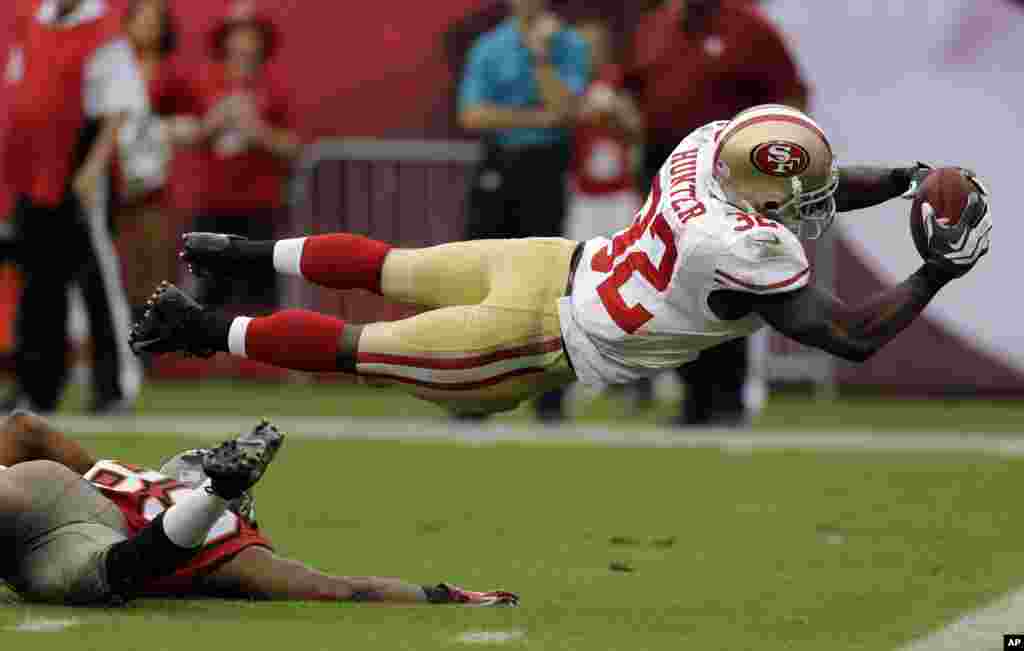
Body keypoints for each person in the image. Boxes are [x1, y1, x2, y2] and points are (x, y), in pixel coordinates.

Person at [128, 104, 991, 418]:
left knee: (391, 266)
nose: (814, 204)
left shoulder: (710, 143)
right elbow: (846, 335)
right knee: (363, 350)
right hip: (543, 332)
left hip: (554, 260)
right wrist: (936, 272)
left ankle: (244, 255)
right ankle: (207, 327)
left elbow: (820, 182)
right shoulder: (743, 245)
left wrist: (911, 179)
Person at [0, 411, 518, 605]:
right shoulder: (238, 546)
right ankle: (211, 498)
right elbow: (339, 588)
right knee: (109, 572)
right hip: (83, 553)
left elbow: (26, 428)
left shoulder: (128, 476)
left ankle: (207, 501)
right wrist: (446, 595)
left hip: (65, 514)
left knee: (107, 565)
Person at [625, 0, 810, 426]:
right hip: (668, 170)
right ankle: (694, 397)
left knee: (730, 282)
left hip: (731, 171)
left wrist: (777, 163)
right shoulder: (654, 28)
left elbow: (793, 98)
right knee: (678, 287)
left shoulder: (751, 29)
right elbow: (628, 93)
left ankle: (727, 398)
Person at [2, 0, 146, 414]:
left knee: (96, 280)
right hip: (33, 169)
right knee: (38, 284)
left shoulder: (104, 29)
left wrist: (93, 168)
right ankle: (36, 389)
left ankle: (114, 387)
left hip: (80, 164)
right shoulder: (32, 19)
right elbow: (19, 91)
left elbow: (118, 109)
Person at [457, 0, 590, 421]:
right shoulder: (489, 46)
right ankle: (475, 393)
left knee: (550, 286)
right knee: (483, 282)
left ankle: (550, 400)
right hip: (498, 165)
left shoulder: (569, 44)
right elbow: (472, 115)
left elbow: (567, 110)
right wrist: (536, 116)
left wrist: (539, 56)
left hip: (546, 169)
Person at [0, 411, 282, 604]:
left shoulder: (119, 474)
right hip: (80, 543)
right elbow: (305, 583)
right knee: (114, 568)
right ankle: (217, 493)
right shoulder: (231, 538)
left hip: (60, 505)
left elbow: (24, 426)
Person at [172, 1, 301, 311]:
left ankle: (258, 357)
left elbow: (294, 146)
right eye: (238, 34)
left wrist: (259, 132)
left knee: (260, 298)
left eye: (251, 34)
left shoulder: (276, 87)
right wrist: (209, 125)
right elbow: (176, 130)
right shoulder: (202, 83)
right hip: (211, 207)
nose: (245, 42)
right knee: (207, 296)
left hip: (260, 208)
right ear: (225, 40)